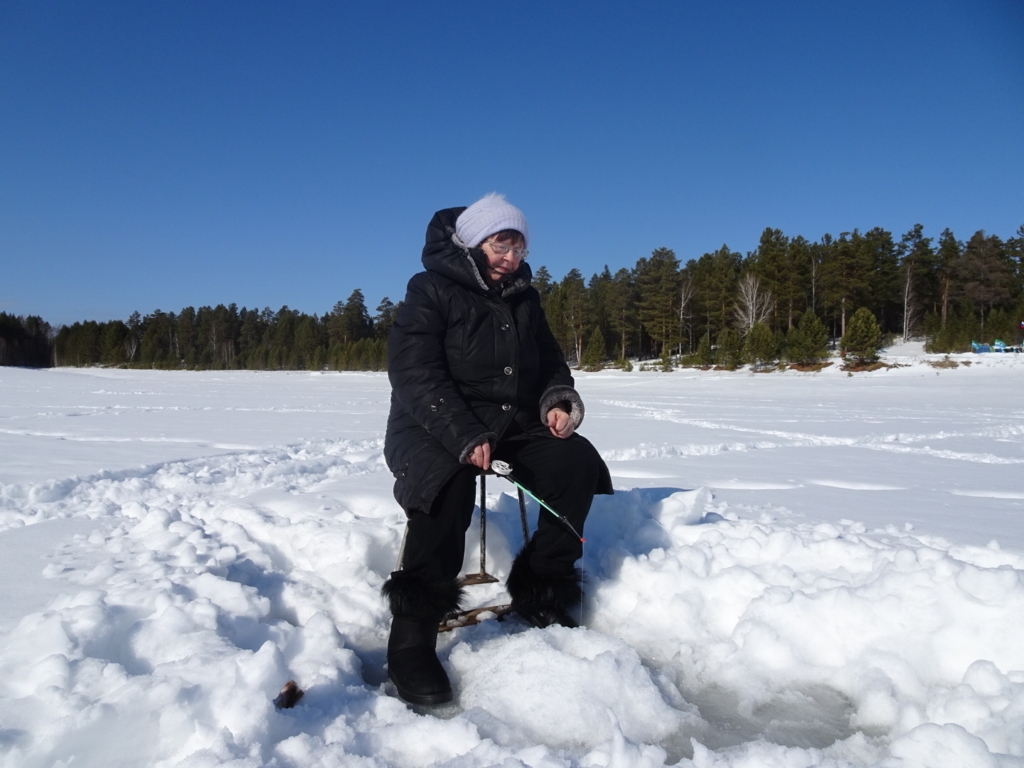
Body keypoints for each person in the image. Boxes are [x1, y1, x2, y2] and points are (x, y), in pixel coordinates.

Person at [381, 193, 613, 705]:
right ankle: (413, 631)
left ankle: (544, 586)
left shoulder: (524, 297)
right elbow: (414, 373)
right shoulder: (430, 290)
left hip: (510, 426)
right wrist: (463, 434)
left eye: (518, 246)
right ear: (472, 242)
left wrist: (556, 399)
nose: (511, 256)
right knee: (447, 482)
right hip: (432, 424)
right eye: (500, 244)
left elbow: (551, 361)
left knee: (577, 461)